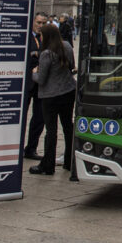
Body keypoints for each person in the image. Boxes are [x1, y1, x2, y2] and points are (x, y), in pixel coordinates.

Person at [29, 23, 76, 176]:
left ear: (46, 36)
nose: (40, 38)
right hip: (68, 91)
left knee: (51, 131)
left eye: (41, 35)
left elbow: (41, 79)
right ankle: (70, 161)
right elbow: (72, 66)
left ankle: (47, 165)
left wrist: (33, 72)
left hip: (51, 95)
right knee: (68, 126)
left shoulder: (47, 54)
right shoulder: (67, 46)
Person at [22, 12, 48, 160]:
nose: (40, 26)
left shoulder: (46, 39)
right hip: (27, 84)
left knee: (39, 118)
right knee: (22, 117)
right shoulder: (26, 37)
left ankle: (31, 148)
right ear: (33, 22)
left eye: (43, 23)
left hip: (41, 84)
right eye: (38, 23)